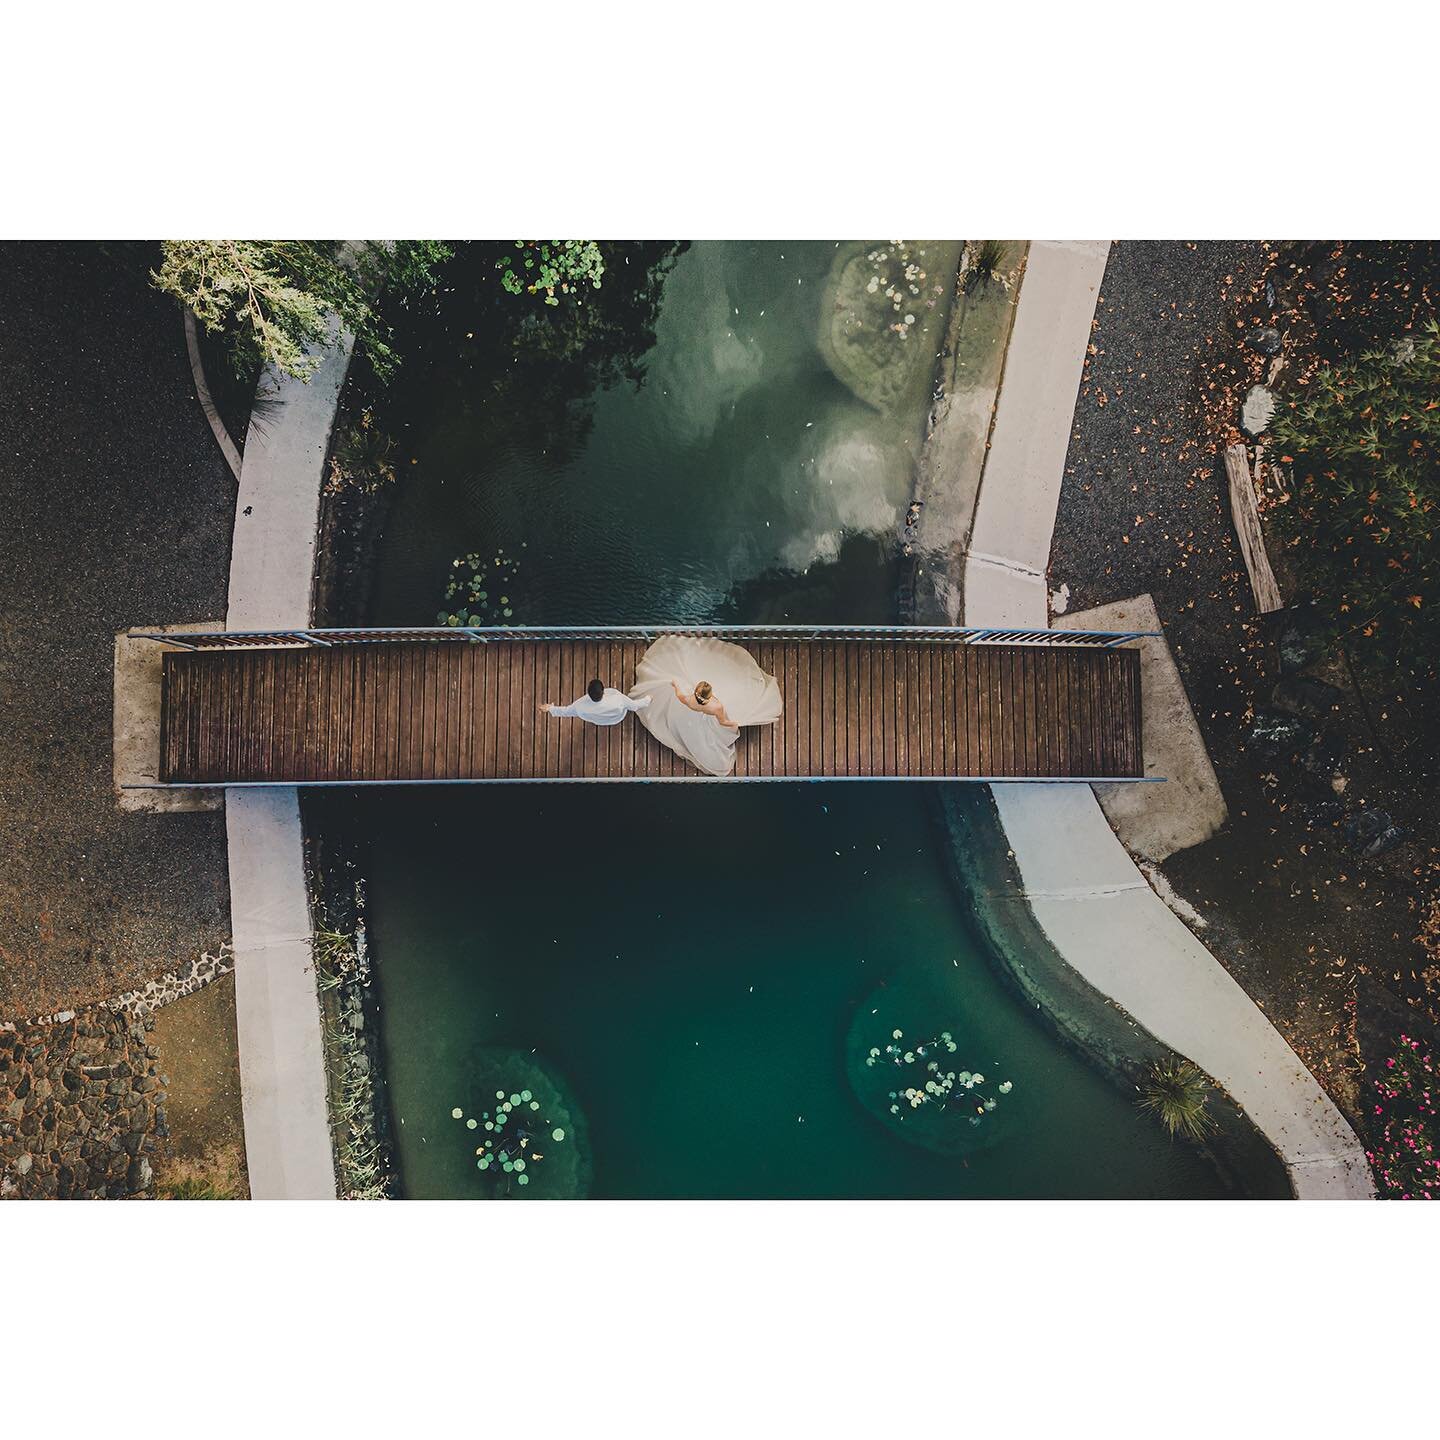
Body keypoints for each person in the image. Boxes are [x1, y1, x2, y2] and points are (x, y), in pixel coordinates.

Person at [628, 634, 782, 776]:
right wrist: (734, 725)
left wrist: (674, 683)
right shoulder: (716, 707)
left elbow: (679, 695)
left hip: (689, 716)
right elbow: (723, 721)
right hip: (709, 720)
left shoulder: (688, 699)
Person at [539, 676, 651, 727]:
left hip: (600, 721)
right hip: (617, 718)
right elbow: (635, 706)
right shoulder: (618, 700)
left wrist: (550, 708)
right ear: (603, 691)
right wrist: (649, 698)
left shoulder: (580, 705)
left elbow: (566, 711)